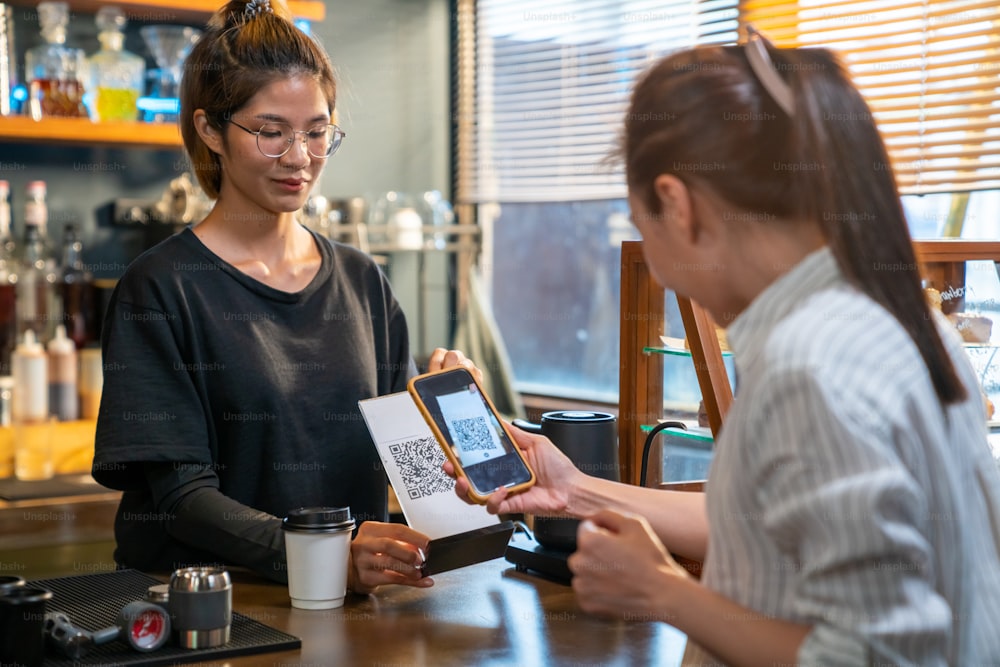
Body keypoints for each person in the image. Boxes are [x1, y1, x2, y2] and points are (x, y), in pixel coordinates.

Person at [447, 31, 1000, 666]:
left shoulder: (810, 368)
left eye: (640, 225)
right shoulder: (902, 323)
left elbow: (871, 656)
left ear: (677, 207)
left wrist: (664, 592)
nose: (653, 264)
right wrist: (576, 491)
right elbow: (775, 527)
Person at [92, 0, 477, 594]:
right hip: (214, 609)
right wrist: (322, 556)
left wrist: (454, 422)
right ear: (209, 130)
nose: (299, 158)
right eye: (271, 133)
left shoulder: (361, 281)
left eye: (318, 133)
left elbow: (409, 465)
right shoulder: (161, 288)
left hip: (347, 603)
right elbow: (182, 498)